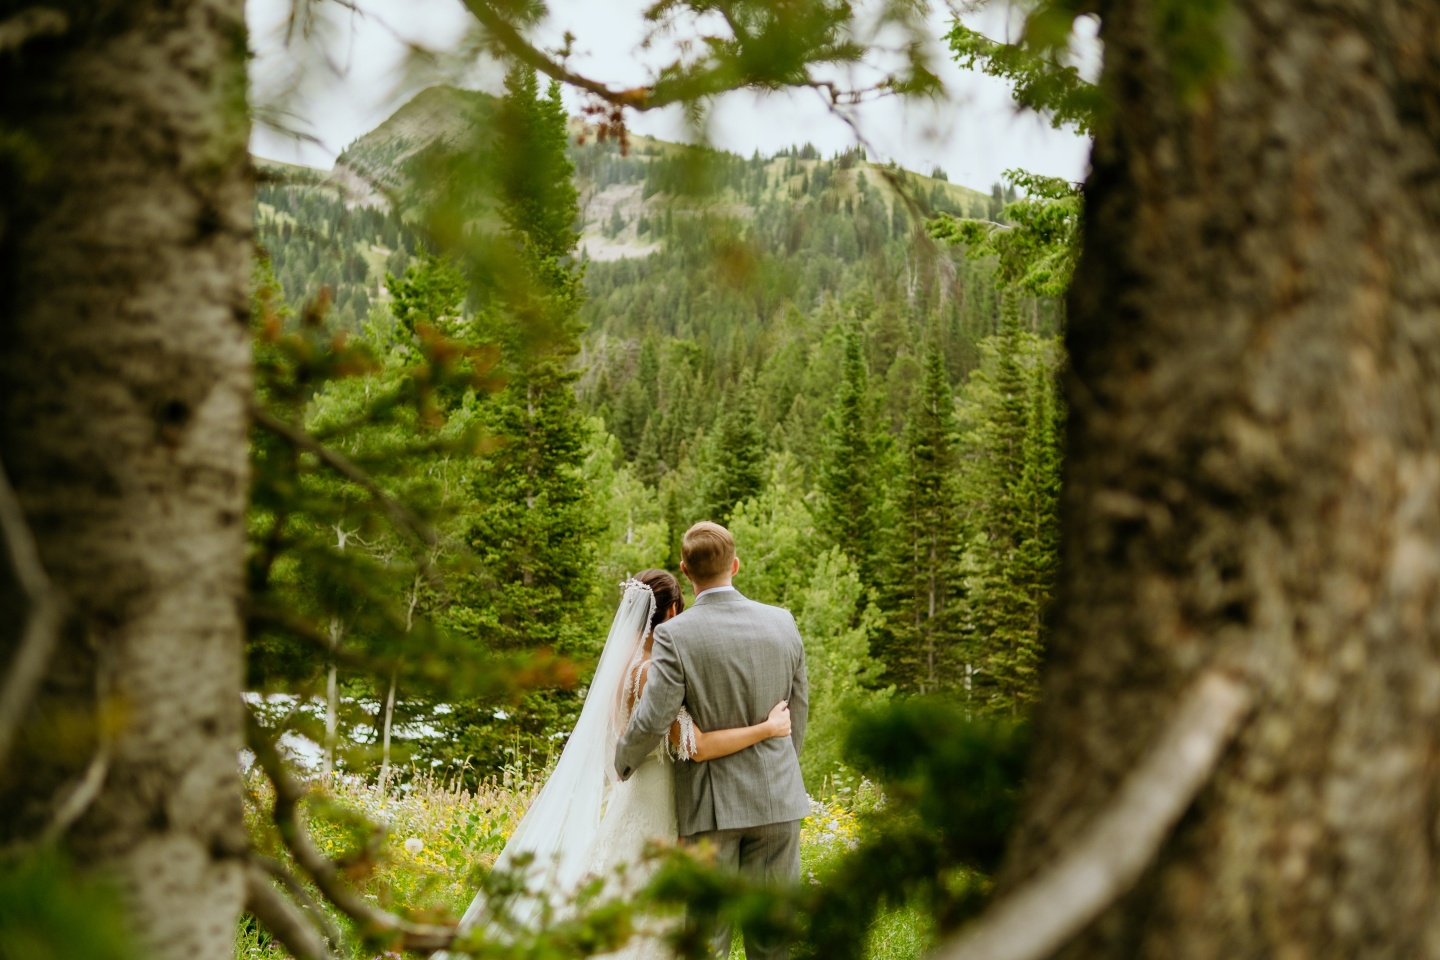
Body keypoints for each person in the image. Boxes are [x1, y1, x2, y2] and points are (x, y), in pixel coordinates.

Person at [435, 567, 790, 960]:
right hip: (661, 801)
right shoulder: (654, 672)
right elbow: (698, 746)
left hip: (636, 794)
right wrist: (769, 727)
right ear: (671, 612)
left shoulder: (626, 668)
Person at [616, 521, 810, 960]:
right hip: (778, 799)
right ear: (735, 565)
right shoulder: (783, 622)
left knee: (707, 940)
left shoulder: (673, 635)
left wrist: (622, 760)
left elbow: (654, 716)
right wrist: (780, 766)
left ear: (685, 570)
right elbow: (798, 709)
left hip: (710, 808)